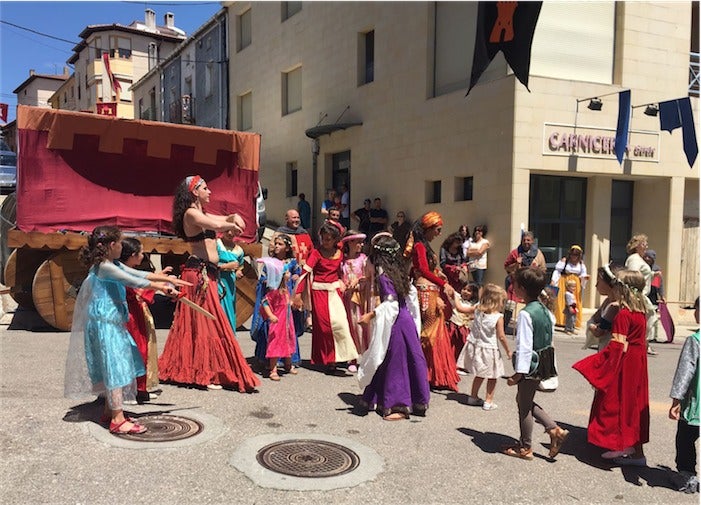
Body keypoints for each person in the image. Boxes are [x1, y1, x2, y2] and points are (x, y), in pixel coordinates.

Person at [64, 226, 190, 435]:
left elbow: (136, 272)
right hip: (106, 325)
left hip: (108, 323)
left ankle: (109, 410)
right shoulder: (104, 267)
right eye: (120, 243)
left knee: (115, 366)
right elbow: (133, 280)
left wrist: (167, 280)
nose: (122, 246)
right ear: (112, 245)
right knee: (116, 367)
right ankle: (117, 419)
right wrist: (161, 287)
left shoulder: (110, 264)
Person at [158, 175, 260, 392]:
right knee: (206, 322)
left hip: (208, 274)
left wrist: (234, 217)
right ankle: (208, 372)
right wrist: (231, 222)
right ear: (195, 192)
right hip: (198, 274)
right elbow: (217, 223)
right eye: (206, 188)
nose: (210, 192)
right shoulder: (191, 214)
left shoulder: (201, 212)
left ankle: (207, 370)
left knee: (207, 322)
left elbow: (225, 219)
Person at [572, 269, 650, 467]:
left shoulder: (623, 313)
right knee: (633, 403)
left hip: (624, 363)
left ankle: (620, 444)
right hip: (637, 362)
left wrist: (598, 366)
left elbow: (616, 346)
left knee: (616, 402)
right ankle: (634, 449)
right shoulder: (641, 312)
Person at [357, 233, 430, 420]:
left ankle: (398, 404)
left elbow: (392, 304)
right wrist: (415, 323)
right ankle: (410, 400)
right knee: (404, 359)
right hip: (406, 321)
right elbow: (411, 297)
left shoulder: (384, 275)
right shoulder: (400, 271)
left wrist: (371, 315)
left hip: (397, 322)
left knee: (395, 362)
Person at [503, 267, 569, 460]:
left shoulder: (526, 314)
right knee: (524, 400)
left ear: (521, 288)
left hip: (530, 366)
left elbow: (524, 346)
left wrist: (518, 373)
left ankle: (525, 447)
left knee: (524, 407)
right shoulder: (546, 311)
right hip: (544, 362)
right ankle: (553, 429)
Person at [293, 220, 358, 372]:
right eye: (323, 238)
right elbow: (305, 274)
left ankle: (342, 356)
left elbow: (345, 269)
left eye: (329, 239)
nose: (325, 242)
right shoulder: (316, 253)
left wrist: (346, 282)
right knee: (325, 328)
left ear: (335, 239)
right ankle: (329, 361)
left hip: (335, 292)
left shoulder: (341, 253)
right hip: (319, 292)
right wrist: (297, 295)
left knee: (341, 325)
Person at [406, 211, 459, 392]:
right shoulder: (420, 246)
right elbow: (421, 269)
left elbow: (426, 269)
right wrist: (443, 283)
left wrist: (438, 274)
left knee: (434, 332)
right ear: (428, 228)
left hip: (430, 289)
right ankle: (423, 373)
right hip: (426, 292)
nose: (439, 233)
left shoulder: (424, 245)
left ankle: (431, 374)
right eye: (438, 229)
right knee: (428, 333)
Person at [120, 237, 165, 404]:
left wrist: (159, 278)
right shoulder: (121, 272)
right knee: (134, 351)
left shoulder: (127, 269)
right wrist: (158, 284)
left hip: (136, 313)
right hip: (128, 316)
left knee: (142, 350)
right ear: (132, 255)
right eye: (141, 252)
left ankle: (140, 389)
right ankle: (129, 391)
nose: (142, 255)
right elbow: (138, 290)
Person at [459, 283, 511, 411]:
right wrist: (508, 350)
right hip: (490, 349)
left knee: (480, 374)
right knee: (493, 376)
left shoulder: (477, 310)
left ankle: (473, 396)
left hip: (477, 346)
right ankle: (489, 400)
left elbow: (463, 309)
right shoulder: (498, 317)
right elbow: (501, 336)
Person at [251, 234, 297, 371]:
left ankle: (287, 362)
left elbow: (298, 275)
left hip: (287, 297)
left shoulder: (292, 262)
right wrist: (268, 280)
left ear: (287, 248)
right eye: (275, 244)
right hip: (273, 298)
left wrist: (295, 277)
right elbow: (263, 278)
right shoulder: (270, 263)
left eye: (280, 244)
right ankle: (268, 361)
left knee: (288, 330)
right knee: (272, 330)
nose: (276, 246)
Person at [668, 297, 699, 493]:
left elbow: (685, 372)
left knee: (686, 439)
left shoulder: (695, 341)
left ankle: (687, 474)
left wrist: (676, 400)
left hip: (695, 404)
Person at [257, 257, 297, 381]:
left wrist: (292, 302)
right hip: (278, 322)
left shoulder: (285, 290)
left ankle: (288, 364)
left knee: (288, 341)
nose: (289, 274)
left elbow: (288, 301)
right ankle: (273, 368)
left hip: (287, 322)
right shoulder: (274, 291)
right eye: (286, 273)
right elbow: (265, 302)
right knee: (275, 344)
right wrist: (270, 315)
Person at [625, 234, 661, 355]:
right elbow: (633, 275)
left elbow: (642, 273)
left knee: (648, 318)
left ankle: (642, 344)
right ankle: (640, 344)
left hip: (641, 294)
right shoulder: (634, 259)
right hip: (637, 295)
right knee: (650, 317)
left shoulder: (638, 259)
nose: (646, 246)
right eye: (644, 244)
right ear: (638, 245)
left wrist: (652, 274)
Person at [341, 230, 371, 368]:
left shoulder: (364, 259)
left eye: (361, 242)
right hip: (346, 298)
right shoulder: (342, 261)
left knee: (361, 326)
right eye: (357, 242)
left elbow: (368, 276)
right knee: (349, 326)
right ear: (350, 243)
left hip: (360, 296)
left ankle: (365, 356)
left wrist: (359, 281)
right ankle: (351, 357)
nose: (361, 244)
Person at [584, 264, 622, 351]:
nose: (596, 285)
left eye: (598, 281)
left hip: (610, 348)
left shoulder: (614, 306)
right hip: (603, 346)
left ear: (609, 283)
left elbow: (599, 332)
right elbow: (595, 317)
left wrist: (591, 326)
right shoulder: (607, 302)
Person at [550, 245, 589, 329]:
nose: (573, 256)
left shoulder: (581, 264)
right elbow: (557, 271)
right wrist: (553, 280)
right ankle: (561, 321)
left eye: (576, 255)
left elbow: (583, 274)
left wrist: (584, 277)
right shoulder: (565, 261)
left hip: (575, 284)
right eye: (572, 254)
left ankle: (573, 322)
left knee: (574, 301)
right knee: (562, 300)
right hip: (564, 281)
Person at [504, 231, 546, 302]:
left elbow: (543, 269)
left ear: (532, 241)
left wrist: (535, 271)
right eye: (524, 240)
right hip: (517, 287)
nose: (526, 242)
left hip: (532, 287)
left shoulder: (538, 254)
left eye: (528, 240)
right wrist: (516, 264)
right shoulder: (515, 253)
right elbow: (506, 267)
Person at [216, 229, 245, 332]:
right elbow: (208, 263)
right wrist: (225, 266)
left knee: (228, 309)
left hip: (229, 284)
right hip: (216, 281)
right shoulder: (216, 245)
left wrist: (238, 271)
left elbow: (240, 266)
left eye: (232, 231)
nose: (229, 233)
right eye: (227, 230)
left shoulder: (239, 250)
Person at [449, 281, 480, 366]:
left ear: (474, 293)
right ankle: (451, 362)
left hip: (465, 328)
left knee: (463, 346)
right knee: (452, 345)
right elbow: (450, 291)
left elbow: (476, 313)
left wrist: (473, 317)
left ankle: (462, 364)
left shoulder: (475, 304)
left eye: (469, 290)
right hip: (454, 325)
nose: (465, 292)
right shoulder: (457, 298)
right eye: (464, 289)